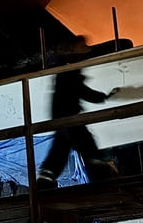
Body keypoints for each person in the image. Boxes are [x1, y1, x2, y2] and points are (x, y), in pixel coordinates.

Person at [36, 47, 120, 189]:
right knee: (88, 147)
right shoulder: (69, 72)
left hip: (61, 120)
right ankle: (103, 181)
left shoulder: (62, 71)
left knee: (59, 151)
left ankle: (44, 183)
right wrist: (103, 97)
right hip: (70, 119)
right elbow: (82, 91)